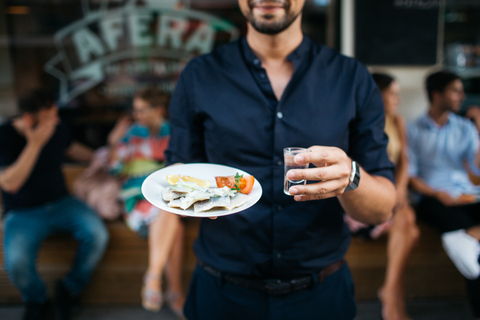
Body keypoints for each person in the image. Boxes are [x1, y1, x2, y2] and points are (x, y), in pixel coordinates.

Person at [165, 1, 396, 319]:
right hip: (221, 294)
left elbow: (382, 208)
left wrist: (352, 176)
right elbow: (179, 172)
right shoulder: (198, 76)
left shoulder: (351, 78)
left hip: (321, 295)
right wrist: (188, 192)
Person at [0, 89, 109, 320]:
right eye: (51, 116)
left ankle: (69, 288)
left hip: (62, 202)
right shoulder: (4, 136)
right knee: (16, 264)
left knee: (98, 234)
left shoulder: (57, 128)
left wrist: (101, 157)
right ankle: (37, 300)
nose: (57, 120)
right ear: (29, 119)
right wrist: (35, 144)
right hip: (23, 211)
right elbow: (10, 184)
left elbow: (70, 147)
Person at [344, 73, 420, 320]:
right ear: (378, 94)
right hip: (367, 199)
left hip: (394, 194)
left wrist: (399, 189)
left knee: (407, 218)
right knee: (409, 224)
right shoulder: (356, 121)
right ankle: (391, 295)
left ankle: (391, 293)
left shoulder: (398, 121)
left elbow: (406, 160)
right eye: (393, 93)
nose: (398, 99)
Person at [408, 70, 480, 319]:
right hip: (432, 198)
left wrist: (479, 125)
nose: (462, 96)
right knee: (475, 253)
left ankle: (469, 236)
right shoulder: (413, 129)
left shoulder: (465, 127)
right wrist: (438, 194)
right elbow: (411, 177)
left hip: (467, 195)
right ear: (437, 94)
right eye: (455, 90)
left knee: (470, 243)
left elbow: (478, 167)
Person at [107, 88, 185, 317]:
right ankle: (174, 293)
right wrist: (113, 144)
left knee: (169, 213)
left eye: (142, 110)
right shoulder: (131, 133)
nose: (137, 115)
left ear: (158, 110)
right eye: (135, 110)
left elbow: (187, 170)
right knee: (174, 225)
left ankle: (154, 277)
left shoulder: (174, 133)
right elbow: (114, 170)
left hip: (168, 197)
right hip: (137, 199)